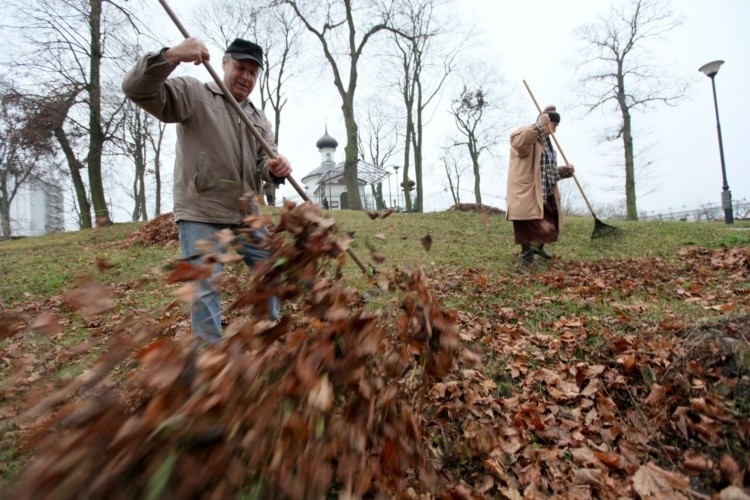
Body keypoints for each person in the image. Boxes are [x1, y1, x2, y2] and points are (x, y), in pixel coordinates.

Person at [122, 37, 292, 343]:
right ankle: (211, 357)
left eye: (253, 72)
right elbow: (137, 90)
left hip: (245, 214)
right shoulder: (193, 94)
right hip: (201, 210)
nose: (246, 76)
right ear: (225, 63)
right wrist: (170, 56)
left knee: (271, 269)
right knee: (206, 286)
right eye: (240, 67)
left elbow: (262, 163)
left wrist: (272, 168)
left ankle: (270, 334)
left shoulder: (258, 119)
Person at [505, 105, 575, 266]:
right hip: (528, 190)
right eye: (554, 126)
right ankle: (526, 259)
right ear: (546, 123)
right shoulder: (526, 134)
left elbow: (547, 171)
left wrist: (565, 171)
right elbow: (519, 145)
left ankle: (538, 246)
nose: (555, 131)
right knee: (527, 224)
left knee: (551, 222)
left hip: (545, 190)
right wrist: (538, 125)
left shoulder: (548, 143)